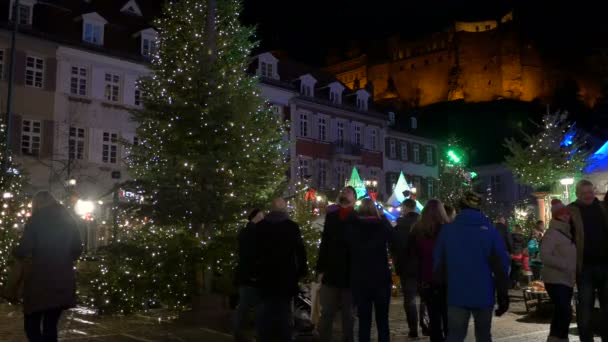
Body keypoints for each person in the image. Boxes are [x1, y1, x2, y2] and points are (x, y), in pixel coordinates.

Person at [433, 191, 510, 342]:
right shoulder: (490, 231)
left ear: (460, 206)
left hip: (456, 292)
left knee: (455, 336)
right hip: (483, 292)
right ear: (479, 207)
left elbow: (438, 262)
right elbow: (501, 265)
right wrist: (503, 294)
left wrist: (440, 288)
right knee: (483, 335)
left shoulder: (448, 230)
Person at [15, 191, 82, 342]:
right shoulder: (68, 219)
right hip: (62, 278)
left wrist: (17, 251)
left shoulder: (36, 219)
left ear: (37, 203)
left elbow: (25, 248)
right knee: (51, 325)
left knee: (31, 324)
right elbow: (77, 248)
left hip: (39, 279)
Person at [255, 198, 307, 341]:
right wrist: (302, 271)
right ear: (284, 209)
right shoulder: (292, 227)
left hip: (265, 274)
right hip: (286, 275)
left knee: (266, 308)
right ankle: (283, 336)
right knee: (284, 310)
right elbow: (299, 251)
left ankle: (264, 336)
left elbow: (255, 252)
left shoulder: (261, 226)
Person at [349, 198, 395, 342]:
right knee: (382, 320)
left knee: (364, 320)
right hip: (380, 276)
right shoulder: (382, 224)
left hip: (360, 277)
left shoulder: (354, 226)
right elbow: (393, 238)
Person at [316, 186, 357, 342]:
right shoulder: (332, 216)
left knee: (348, 313)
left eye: (348, 191)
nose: (344, 193)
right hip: (331, 271)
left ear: (354, 198)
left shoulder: (357, 217)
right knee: (327, 311)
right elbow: (325, 243)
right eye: (343, 191)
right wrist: (320, 269)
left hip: (350, 273)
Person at [568, 180, 608, 342]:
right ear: (578, 194)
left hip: (605, 265)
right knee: (585, 307)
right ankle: (586, 339)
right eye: (584, 193)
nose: (588, 196)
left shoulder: (603, 208)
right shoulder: (571, 210)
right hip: (584, 267)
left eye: (590, 192)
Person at [411, 199, 449, 342]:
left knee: (434, 318)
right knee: (448, 317)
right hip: (447, 279)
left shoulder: (417, 230)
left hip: (427, 279)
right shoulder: (448, 230)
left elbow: (413, 256)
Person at [541, 199, 576, 342]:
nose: (566, 216)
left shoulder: (569, 232)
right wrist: (565, 264)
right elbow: (545, 255)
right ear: (555, 216)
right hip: (555, 279)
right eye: (562, 214)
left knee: (561, 313)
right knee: (565, 311)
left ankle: (557, 338)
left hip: (567, 279)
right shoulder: (552, 233)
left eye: (567, 214)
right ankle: (559, 338)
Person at [394, 199, 427, 338]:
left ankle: (413, 328)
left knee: (410, 300)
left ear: (406, 208)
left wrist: (398, 267)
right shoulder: (424, 225)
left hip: (406, 267)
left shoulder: (399, 226)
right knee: (425, 298)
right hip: (423, 267)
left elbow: (395, 248)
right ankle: (425, 325)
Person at [233, 208, 264, 342]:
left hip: (245, 275)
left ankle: (238, 333)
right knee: (255, 306)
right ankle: (256, 334)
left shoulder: (244, 232)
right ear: (256, 217)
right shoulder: (255, 232)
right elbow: (253, 255)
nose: (264, 218)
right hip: (253, 276)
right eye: (262, 215)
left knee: (244, 306)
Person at [510, 224, 527, 289]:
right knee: (519, 270)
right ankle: (518, 283)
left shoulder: (511, 236)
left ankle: (513, 283)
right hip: (520, 255)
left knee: (513, 269)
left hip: (513, 255)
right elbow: (525, 247)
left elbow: (510, 245)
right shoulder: (523, 237)